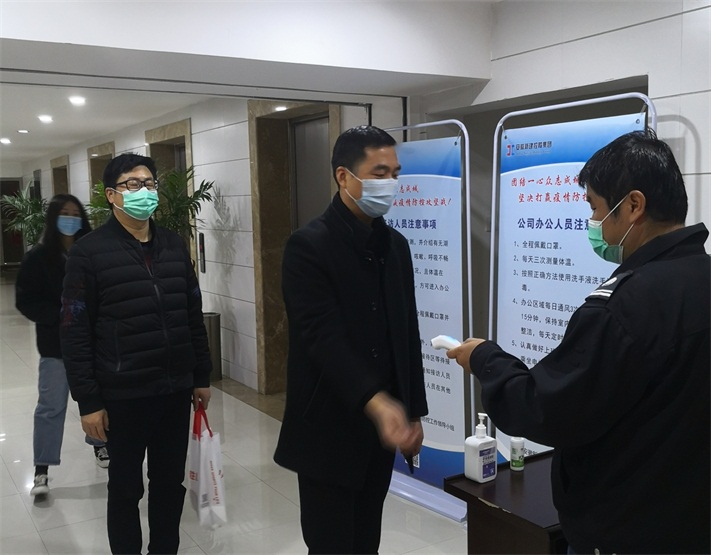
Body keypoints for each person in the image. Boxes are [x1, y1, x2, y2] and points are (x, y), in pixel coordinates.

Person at [448, 130, 710, 554]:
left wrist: (485, 358)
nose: (594, 223)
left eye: (595, 208)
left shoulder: (623, 306)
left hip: (625, 530)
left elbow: (544, 408)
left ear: (634, 206)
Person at [274, 125, 428, 554]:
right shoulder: (307, 247)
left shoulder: (395, 246)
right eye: (379, 173)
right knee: (331, 544)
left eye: (395, 173)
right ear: (344, 176)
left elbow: (406, 332)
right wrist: (377, 402)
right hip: (328, 428)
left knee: (366, 540)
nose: (390, 183)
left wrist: (413, 409)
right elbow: (321, 337)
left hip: (380, 433)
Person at [60, 153, 212, 555]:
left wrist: (201, 375)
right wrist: (88, 401)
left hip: (173, 390)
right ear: (111, 195)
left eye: (149, 183)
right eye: (132, 184)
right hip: (122, 395)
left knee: (169, 484)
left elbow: (191, 313)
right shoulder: (89, 253)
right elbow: (74, 331)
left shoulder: (173, 245)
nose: (144, 191)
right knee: (126, 488)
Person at [15, 194, 109, 497]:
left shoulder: (91, 252)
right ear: (54, 218)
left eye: (75, 213)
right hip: (55, 346)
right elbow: (26, 301)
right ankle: (42, 469)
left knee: (97, 398)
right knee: (50, 407)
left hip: (92, 343)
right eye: (64, 213)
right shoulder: (37, 257)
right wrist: (60, 315)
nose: (70, 218)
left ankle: (100, 444)